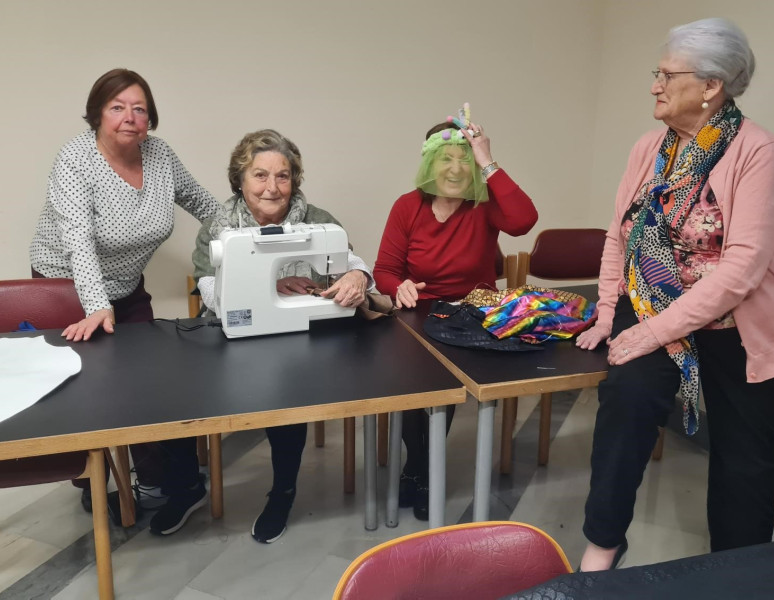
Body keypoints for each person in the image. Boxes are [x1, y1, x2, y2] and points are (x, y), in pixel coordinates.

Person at [575, 18, 774, 571]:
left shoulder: (758, 150)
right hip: (652, 302)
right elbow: (619, 234)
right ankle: (602, 547)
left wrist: (650, 331)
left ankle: (735, 571)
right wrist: (609, 312)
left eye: (666, 74)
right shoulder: (649, 147)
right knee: (625, 404)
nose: (654, 85)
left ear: (710, 86)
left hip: (741, 323)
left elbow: (743, 268)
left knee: (745, 461)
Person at [29, 68, 222, 532]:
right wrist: (96, 304)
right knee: (80, 387)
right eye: (117, 107)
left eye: (139, 108)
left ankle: (155, 484)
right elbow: (77, 238)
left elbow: (201, 200)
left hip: (126, 285)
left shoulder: (159, 155)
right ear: (98, 114)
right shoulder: (75, 159)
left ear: (150, 119)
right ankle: (93, 477)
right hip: (64, 285)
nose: (129, 118)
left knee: (146, 382)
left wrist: (248, 234)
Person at [192, 128, 374, 543]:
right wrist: (269, 290)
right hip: (229, 333)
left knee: (286, 396)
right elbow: (209, 290)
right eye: (260, 175)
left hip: (298, 335)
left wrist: (358, 276)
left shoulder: (318, 221)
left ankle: (283, 490)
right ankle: (184, 487)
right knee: (182, 395)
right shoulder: (217, 227)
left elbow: (353, 260)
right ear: (239, 180)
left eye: (283, 176)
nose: (273, 188)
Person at [373, 114, 538, 519]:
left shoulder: (482, 205)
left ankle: (424, 473)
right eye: (445, 159)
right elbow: (385, 270)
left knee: (441, 386)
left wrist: (488, 160)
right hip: (419, 311)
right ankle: (417, 466)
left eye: (463, 159)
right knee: (415, 385)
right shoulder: (407, 206)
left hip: (471, 312)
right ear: (428, 162)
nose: (454, 168)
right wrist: (399, 287)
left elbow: (523, 220)